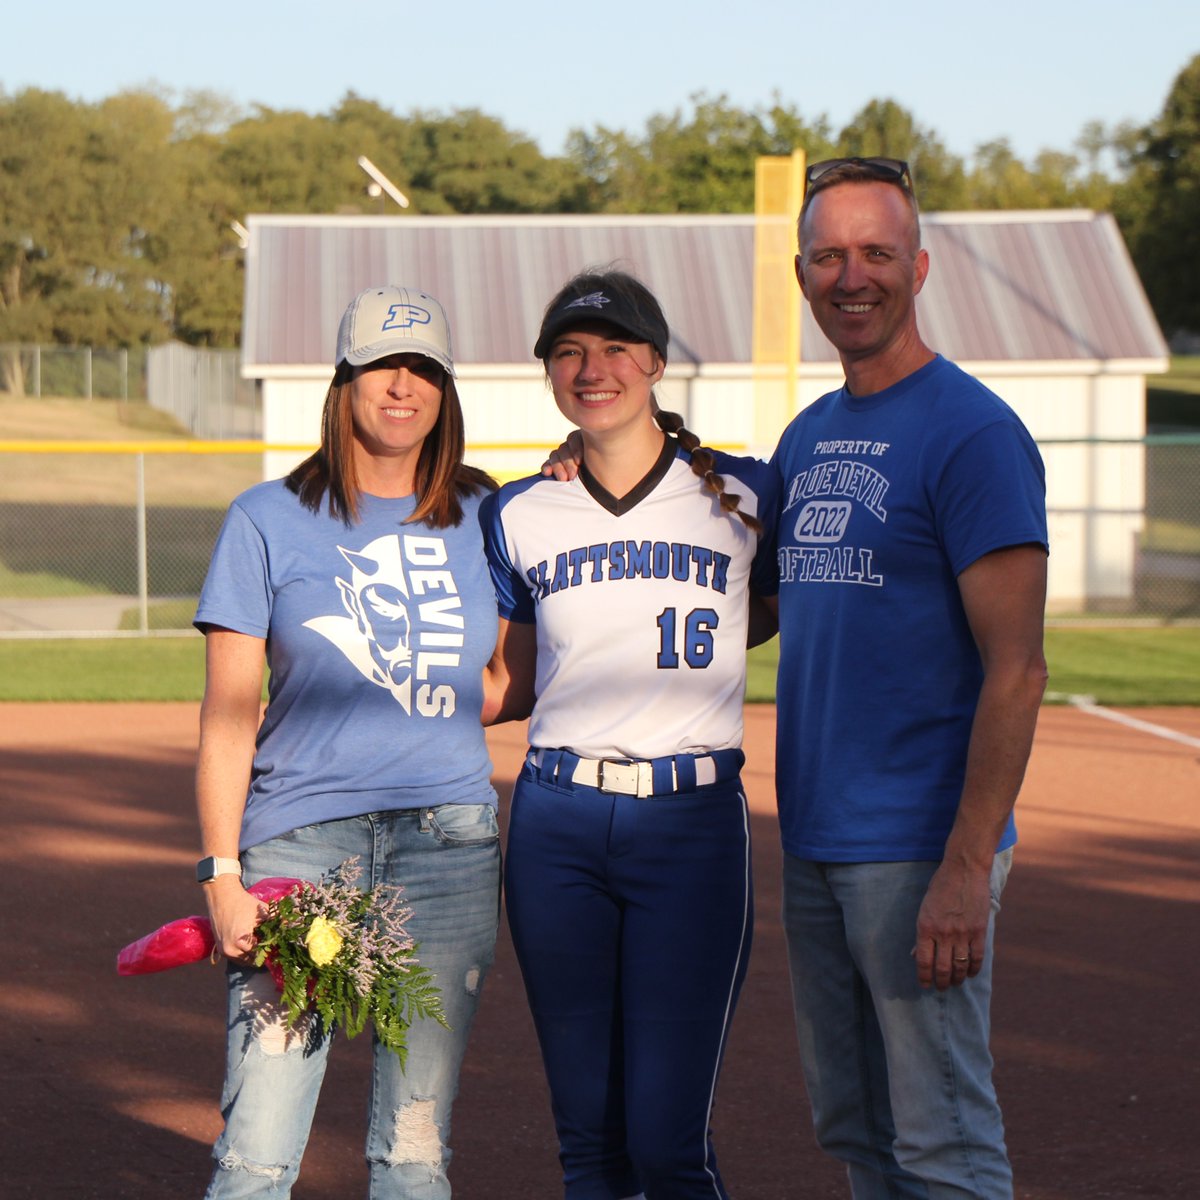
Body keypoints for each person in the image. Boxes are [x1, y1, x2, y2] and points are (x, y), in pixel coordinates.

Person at [768, 157, 1049, 1198]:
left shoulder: (972, 432)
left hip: (918, 850)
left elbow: (1017, 671)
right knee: (861, 1130)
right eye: (829, 256)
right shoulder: (806, 436)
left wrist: (967, 867)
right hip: (816, 840)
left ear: (918, 268)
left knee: (944, 1140)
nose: (852, 277)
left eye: (877, 253)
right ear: (803, 274)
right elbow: (752, 603)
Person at [194, 284, 503, 1199]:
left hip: (447, 846)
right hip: (300, 847)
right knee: (256, 1151)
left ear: (445, 389)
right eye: (382, 367)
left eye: (424, 370)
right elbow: (227, 716)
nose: (403, 387)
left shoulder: (489, 513)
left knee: (415, 1149)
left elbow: (499, 686)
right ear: (345, 381)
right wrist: (221, 874)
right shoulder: (265, 517)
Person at [482, 268, 778, 1199]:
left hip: (690, 825)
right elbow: (511, 683)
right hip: (558, 825)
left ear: (654, 362)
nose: (591, 368)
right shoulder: (520, 510)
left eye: (615, 348)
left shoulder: (747, 492)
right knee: (590, 1144)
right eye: (568, 352)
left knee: (666, 1144)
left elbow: (766, 615)